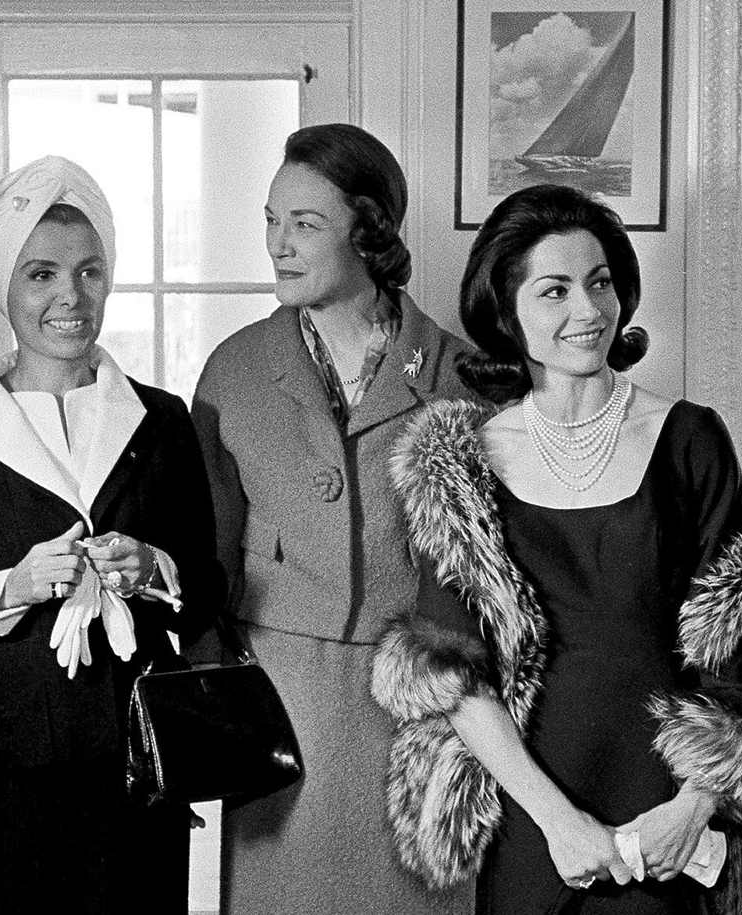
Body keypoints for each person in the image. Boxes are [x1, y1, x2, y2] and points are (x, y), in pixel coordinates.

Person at [371, 183, 742, 915]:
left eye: (600, 282)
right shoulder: (458, 462)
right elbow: (454, 675)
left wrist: (691, 807)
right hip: (531, 813)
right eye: (555, 290)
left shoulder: (690, 438)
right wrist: (558, 823)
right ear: (506, 313)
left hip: (668, 816)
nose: (588, 310)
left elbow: (741, 660)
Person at [0, 155, 224, 914]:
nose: (71, 297)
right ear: (4, 286)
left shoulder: (163, 423)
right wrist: (12, 586)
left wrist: (155, 566)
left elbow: (209, 588)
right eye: (42, 274)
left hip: (135, 757)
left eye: (89, 272)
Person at [190, 123, 473, 914]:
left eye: (304, 224)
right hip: (280, 724)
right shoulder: (233, 371)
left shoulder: (459, 376)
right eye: (271, 221)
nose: (278, 244)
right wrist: (229, 732)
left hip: (422, 719)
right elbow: (205, 575)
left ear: (370, 231)